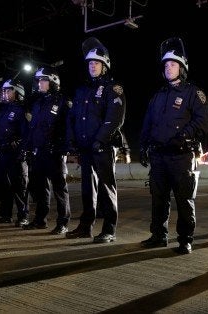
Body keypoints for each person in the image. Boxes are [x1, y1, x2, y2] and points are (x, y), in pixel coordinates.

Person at [139, 37, 208, 254]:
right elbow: (147, 123)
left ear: (182, 67)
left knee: (184, 200)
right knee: (158, 199)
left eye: (173, 64)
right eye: (166, 65)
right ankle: (158, 235)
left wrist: (184, 135)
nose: (169, 68)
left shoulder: (193, 93)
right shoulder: (157, 96)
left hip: (182, 157)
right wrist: (142, 146)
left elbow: (203, 120)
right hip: (159, 157)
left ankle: (185, 239)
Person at [66, 37, 126, 243]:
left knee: (106, 187)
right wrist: (72, 141)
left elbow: (115, 118)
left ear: (105, 65)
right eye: (90, 63)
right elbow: (73, 117)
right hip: (85, 148)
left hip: (103, 147)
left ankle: (109, 229)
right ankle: (85, 226)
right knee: (87, 188)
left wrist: (100, 139)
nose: (92, 66)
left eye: (96, 63)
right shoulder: (82, 90)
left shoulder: (113, 88)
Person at [23, 67, 71, 234]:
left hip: (54, 152)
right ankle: (40, 220)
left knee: (59, 189)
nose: (38, 83)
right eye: (37, 80)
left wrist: (64, 148)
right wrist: (28, 147)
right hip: (39, 152)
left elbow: (67, 128)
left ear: (53, 82)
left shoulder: (63, 102)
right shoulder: (37, 103)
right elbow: (33, 127)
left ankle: (63, 223)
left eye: (42, 80)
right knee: (40, 188)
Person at [0, 79, 30, 227]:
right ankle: (5, 214)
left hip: (15, 153)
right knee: (3, 185)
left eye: (8, 90)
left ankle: (23, 215)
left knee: (19, 186)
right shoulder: (2, 110)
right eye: (4, 90)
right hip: (3, 152)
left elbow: (26, 133)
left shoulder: (22, 110)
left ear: (17, 92)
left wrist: (22, 150)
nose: (5, 93)